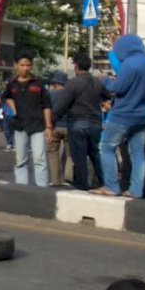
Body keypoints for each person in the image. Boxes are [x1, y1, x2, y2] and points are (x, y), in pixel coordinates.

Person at [92, 35, 145, 198]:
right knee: (137, 152)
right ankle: (135, 190)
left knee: (106, 147)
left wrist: (105, 80)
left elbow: (118, 88)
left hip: (123, 115)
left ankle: (111, 186)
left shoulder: (129, 65)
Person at [52, 54, 108, 191]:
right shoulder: (98, 82)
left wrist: (50, 121)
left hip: (77, 122)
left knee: (79, 155)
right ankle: (102, 181)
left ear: (76, 67)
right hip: (95, 123)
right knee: (94, 153)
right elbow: (107, 96)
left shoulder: (73, 83)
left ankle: (82, 184)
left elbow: (62, 105)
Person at [2, 53, 52, 187]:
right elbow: (6, 97)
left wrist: (48, 126)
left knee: (40, 159)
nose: (25, 68)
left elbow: (46, 105)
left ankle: (42, 189)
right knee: (21, 161)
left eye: (28, 65)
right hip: (20, 126)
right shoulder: (11, 84)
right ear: (16, 66)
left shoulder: (39, 83)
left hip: (38, 127)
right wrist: (13, 107)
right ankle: (21, 188)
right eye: (22, 65)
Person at [46, 71, 70, 186]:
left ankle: (56, 180)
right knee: (70, 154)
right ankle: (68, 178)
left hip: (54, 127)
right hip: (69, 127)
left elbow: (46, 110)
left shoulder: (50, 95)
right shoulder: (70, 94)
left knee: (53, 153)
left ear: (55, 83)